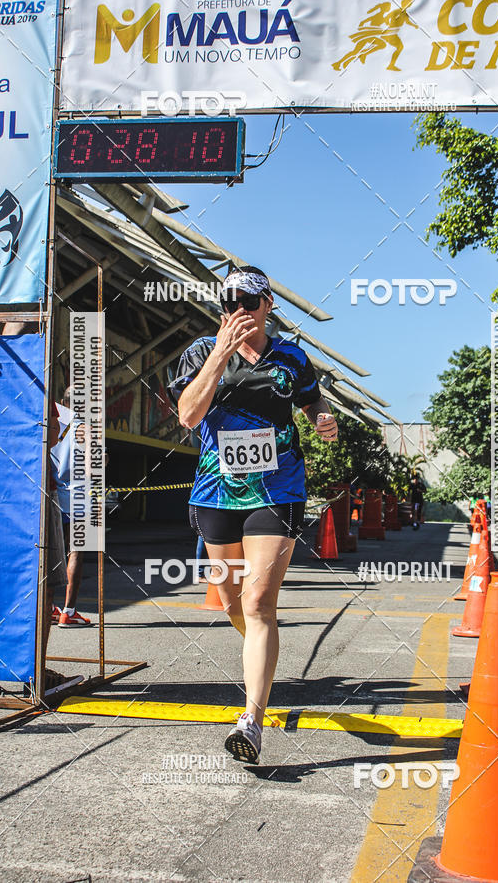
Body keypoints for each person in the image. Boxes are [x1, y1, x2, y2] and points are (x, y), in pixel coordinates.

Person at [168, 266, 338, 765]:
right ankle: (262, 657)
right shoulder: (201, 352)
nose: (236, 310)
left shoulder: (291, 356)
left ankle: (252, 719)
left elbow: (311, 401)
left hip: (276, 488)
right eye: (228, 302)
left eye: (247, 301)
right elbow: (188, 415)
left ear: (267, 306)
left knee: (260, 601)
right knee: (232, 603)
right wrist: (220, 354)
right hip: (216, 492)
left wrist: (320, 419)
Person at [50, 387, 92, 627]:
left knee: (50, 552)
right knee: (75, 553)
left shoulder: (51, 420)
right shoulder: (85, 428)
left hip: (53, 493)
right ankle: (69, 611)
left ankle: (49, 606)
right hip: (78, 499)